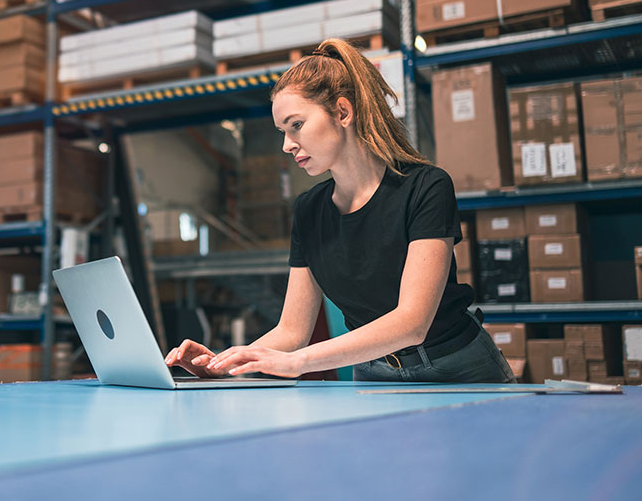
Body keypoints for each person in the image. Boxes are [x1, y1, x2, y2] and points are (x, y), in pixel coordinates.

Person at [165, 38, 515, 383]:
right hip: (374, 373)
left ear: (342, 112)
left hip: (457, 368)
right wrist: (224, 364)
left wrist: (298, 362)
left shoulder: (426, 187)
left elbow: (412, 323)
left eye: (296, 125)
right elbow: (291, 330)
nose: (287, 145)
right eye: (282, 131)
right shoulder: (309, 210)